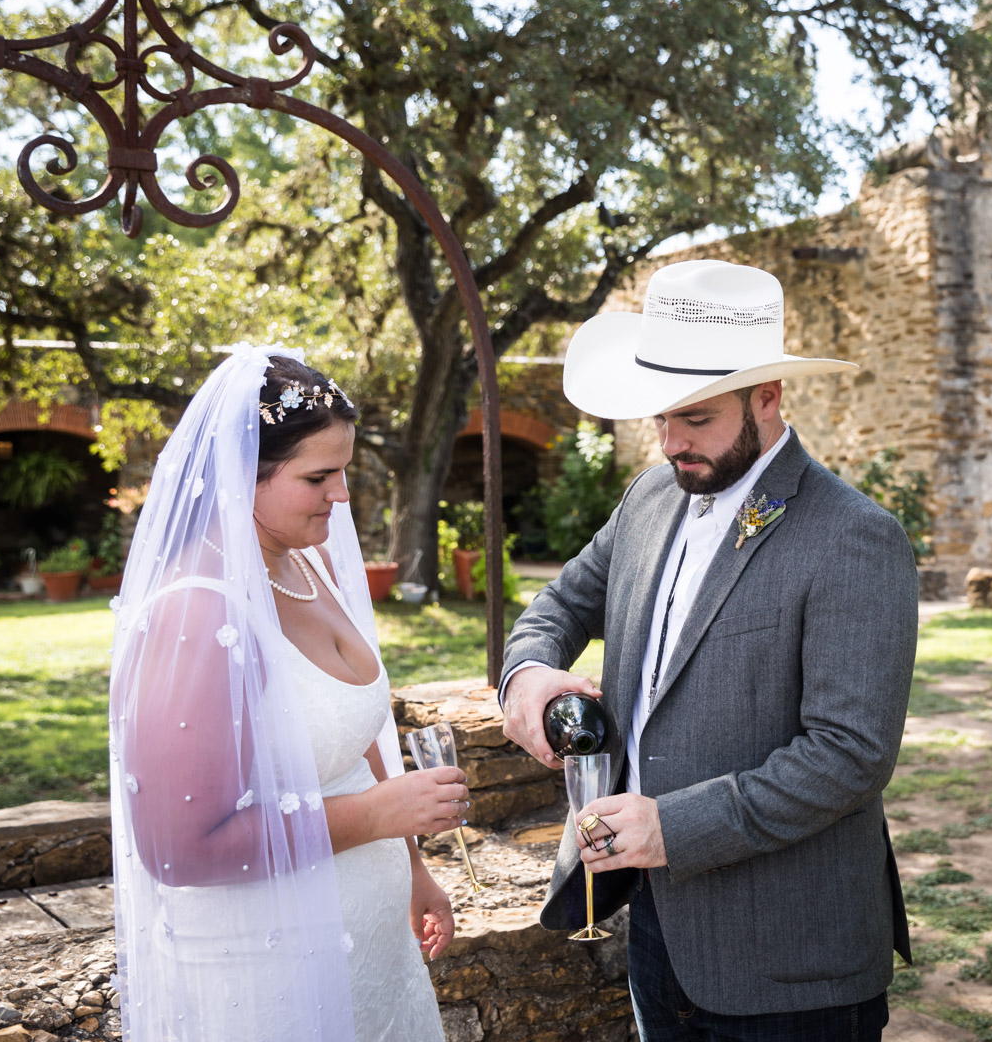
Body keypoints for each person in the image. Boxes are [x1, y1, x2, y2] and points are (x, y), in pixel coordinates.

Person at [498, 259, 920, 1042]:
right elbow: (558, 604)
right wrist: (528, 676)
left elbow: (851, 753)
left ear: (769, 397)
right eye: (660, 418)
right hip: (655, 927)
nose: (670, 443)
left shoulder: (857, 538)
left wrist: (674, 829)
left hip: (791, 964)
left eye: (696, 419)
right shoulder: (650, 497)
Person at [108, 345, 464, 1042]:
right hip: (273, 974)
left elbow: (358, 736)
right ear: (243, 476)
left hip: (376, 956)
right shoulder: (195, 615)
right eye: (319, 476)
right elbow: (178, 848)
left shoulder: (311, 560)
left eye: (344, 471)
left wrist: (413, 866)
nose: (342, 496)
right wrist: (373, 816)